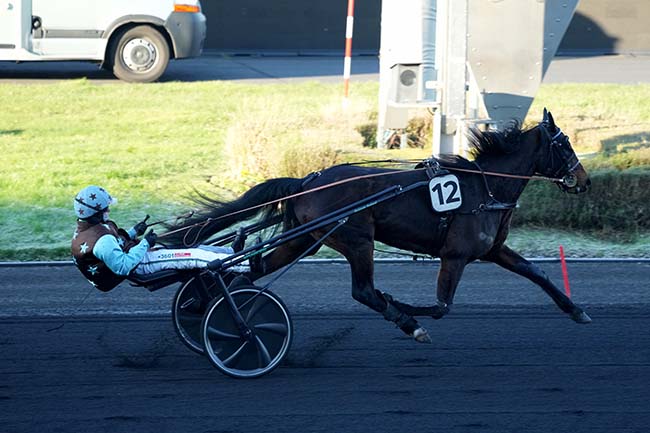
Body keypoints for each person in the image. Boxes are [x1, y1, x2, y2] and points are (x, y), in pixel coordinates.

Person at [71, 185, 242, 292]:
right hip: (141, 265)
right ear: (95, 213)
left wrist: (133, 233)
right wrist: (145, 243)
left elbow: (116, 244)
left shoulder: (90, 229)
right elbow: (123, 266)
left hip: (139, 257)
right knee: (192, 256)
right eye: (106, 209)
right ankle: (244, 263)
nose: (108, 211)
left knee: (195, 249)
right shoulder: (101, 240)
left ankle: (231, 253)